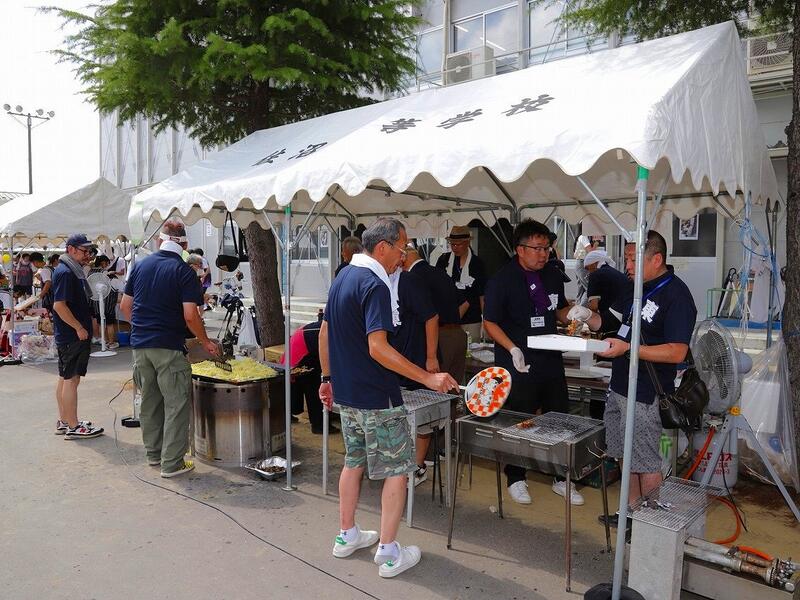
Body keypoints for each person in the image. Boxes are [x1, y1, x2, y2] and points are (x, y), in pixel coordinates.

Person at [318, 217, 457, 578]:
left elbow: (324, 333)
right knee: (397, 471)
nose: (404, 255)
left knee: (354, 461)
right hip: (378, 396)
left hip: (347, 395)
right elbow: (378, 348)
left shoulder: (341, 278)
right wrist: (428, 376)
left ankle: (346, 534)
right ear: (383, 247)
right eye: (402, 248)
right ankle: (389, 550)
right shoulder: (374, 284)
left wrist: (327, 377)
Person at [580, 231, 697, 523]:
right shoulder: (634, 289)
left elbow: (677, 352)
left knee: (645, 459)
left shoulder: (677, 295)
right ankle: (629, 511)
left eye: (634, 259)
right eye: (626, 258)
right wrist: (585, 316)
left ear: (656, 259)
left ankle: (652, 523)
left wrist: (629, 348)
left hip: (647, 391)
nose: (627, 265)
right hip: (619, 385)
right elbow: (608, 321)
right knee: (622, 452)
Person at [483, 219, 587, 506]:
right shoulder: (502, 280)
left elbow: (559, 311)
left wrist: (576, 315)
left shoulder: (553, 274)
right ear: (520, 249)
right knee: (521, 421)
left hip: (550, 361)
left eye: (546, 248)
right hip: (518, 363)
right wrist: (512, 348)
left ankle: (561, 478)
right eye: (537, 248)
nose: (543, 254)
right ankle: (516, 477)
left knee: (560, 418)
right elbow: (489, 322)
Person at [120, 219, 218, 477]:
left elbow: (125, 307)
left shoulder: (140, 267)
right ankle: (172, 463)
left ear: (158, 241)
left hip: (140, 346)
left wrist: (143, 327)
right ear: (184, 244)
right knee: (176, 404)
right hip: (168, 347)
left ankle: (154, 455)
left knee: (150, 402)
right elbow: (190, 315)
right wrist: (205, 341)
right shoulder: (184, 271)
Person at [390, 247, 440, 486]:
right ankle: (399, 464)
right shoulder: (378, 281)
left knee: (423, 417)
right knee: (396, 416)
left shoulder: (410, 281)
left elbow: (431, 317)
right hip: (391, 361)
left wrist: (431, 357)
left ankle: (418, 465)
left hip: (417, 358)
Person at [51, 235, 104, 439]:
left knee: (66, 378)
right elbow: (59, 305)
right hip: (72, 335)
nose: (88, 256)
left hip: (70, 335)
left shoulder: (71, 270)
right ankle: (73, 425)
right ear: (71, 249)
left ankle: (66, 421)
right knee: (71, 379)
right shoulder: (66, 272)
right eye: (85, 251)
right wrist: (79, 327)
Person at [406, 248, 469, 388]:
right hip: (458, 334)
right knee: (454, 389)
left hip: (438, 339)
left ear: (405, 258)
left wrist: (431, 355)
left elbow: (431, 318)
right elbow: (465, 303)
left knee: (438, 389)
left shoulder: (414, 277)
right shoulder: (440, 272)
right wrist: (452, 321)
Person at [281, 314, 337, 435]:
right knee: (314, 387)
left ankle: (324, 416)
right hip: (300, 352)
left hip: (304, 348)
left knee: (314, 383)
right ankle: (319, 425)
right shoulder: (333, 329)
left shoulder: (332, 325)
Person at [436, 226, 487, 342]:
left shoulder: (477, 264)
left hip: (472, 319)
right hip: (448, 320)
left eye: (459, 244)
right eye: (452, 244)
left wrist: (485, 320)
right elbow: (437, 288)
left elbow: (482, 294)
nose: (455, 248)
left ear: (467, 242)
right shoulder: (443, 260)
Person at [584, 250, 629, 335]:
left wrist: (589, 320)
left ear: (594, 263)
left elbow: (593, 306)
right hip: (625, 322)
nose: (588, 271)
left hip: (610, 323)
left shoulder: (595, 275)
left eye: (587, 268)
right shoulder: (618, 273)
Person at [90, 255, 119, 348]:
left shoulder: (90, 272)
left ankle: (104, 342)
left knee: (100, 322)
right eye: (106, 262)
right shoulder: (105, 273)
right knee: (110, 323)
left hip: (96, 300)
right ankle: (111, 343)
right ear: (103, 262)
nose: (107, 264)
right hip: (108, 301)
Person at [573, 233, 597, 302]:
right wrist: (595, 245)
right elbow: (590, 252)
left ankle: (578, 309)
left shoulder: (579, 237)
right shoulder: (584, 237)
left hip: (578, 264)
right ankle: (582, 308)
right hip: (582, 264)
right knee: (589, 288)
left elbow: (574, 255)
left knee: (580, 290)